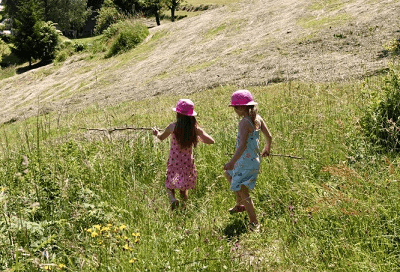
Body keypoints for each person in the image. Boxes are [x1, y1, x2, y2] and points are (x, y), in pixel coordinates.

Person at [153, 99, 215, 210]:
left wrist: (156, 133)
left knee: (169, 184)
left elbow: (161, 138)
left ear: (178, 114)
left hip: (174, 162)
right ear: (191, 116)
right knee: (183, 187)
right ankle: (184, 207)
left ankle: (173, 199)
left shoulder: (172, 127)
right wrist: (198, 136)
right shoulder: (195, 129)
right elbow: (211, 141)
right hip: (187, 163)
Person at [224, 89, 272, 229]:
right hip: (253, 160)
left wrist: (232, 162)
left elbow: (243, 145)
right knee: (228, 175)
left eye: (235, 108)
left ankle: (254, 223)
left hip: (244, 162)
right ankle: (239, 205)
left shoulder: (244, 122)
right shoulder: (258, 119)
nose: (235, 111)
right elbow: (269, 136)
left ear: (240, 107)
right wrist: (267, 148)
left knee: (243, 191)